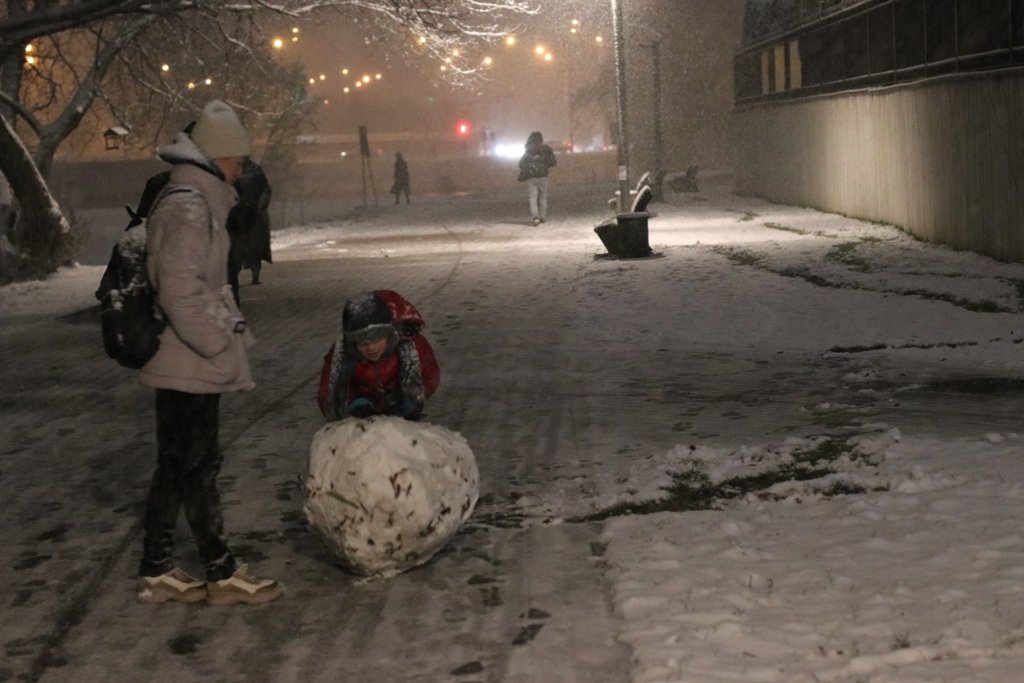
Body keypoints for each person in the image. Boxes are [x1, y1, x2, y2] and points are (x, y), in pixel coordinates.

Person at [136, 100, 282, 606]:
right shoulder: (190, 206)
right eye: (237, 159)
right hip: (189, 356)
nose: (242, 168)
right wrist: (219, 342)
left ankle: (156, 566)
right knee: (197, 465)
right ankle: (220, 570)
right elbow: (179, 290)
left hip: (182, 355)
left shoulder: (192, 199)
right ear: (216, 157)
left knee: (177, 464)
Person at [318, 290, 439, 421]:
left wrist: (407, 399)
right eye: (362, 343)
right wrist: (352, 404)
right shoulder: (341, 354)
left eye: (376, 340)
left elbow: (430, 376)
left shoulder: (413, 345)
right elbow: (328, 393)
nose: (371, 348)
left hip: (403, 418)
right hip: (359, 422)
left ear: (389, 334)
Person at [227, 158, 273, 292]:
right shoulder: (232, 169)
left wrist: (260, 206)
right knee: (237, 247)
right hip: (238, 214)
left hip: (254, 214)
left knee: (255, 247)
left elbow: (266, 189)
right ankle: (234, 273)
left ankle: (255, 273)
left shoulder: (255, 170)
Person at [517, 131, 557, 226]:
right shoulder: (546, 149)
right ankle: (543, 216)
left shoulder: (528, 150)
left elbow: (521, 163)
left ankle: (535, 217)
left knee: (533, 198)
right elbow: (553, 162)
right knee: (543, 198)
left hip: (532, 177)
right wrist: (544, 165)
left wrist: (530, 167)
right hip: (543, 176)